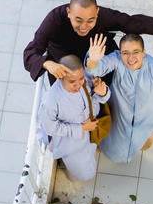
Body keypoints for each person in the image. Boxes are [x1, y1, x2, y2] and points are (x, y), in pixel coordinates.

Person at [24, 0, 153, 82]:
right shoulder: (54, 19)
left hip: (102, 62)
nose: (84, 27)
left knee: (111, 94)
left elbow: (137, 23)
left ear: (98, 12)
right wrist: (47, 63)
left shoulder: (105, 16)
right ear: (69, 12)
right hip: (65, 65)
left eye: (90, 21)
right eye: (78, 20)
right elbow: (31, 52)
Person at [86, 33, 153, 162]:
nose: (131, 58)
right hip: (122, 111)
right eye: (125, 53)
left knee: (145, 142)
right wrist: (94, 60)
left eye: (136, 52)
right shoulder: (117, 59)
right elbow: (95, 70)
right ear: (120, 53)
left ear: (144, 52)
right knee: (115, 140)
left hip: (149, 114)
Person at [38, 54, 109, 182]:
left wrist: (102, 92)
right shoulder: (51, 101)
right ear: (60, 78)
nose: (78, 85)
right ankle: (72, 173)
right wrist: (81, 128)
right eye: (72, 82)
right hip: (71, 144)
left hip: (90, 134)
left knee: (89, 155)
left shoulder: (84, 79)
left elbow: (96, 100)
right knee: (83, 174)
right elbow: (50, 127)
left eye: (81, 79)